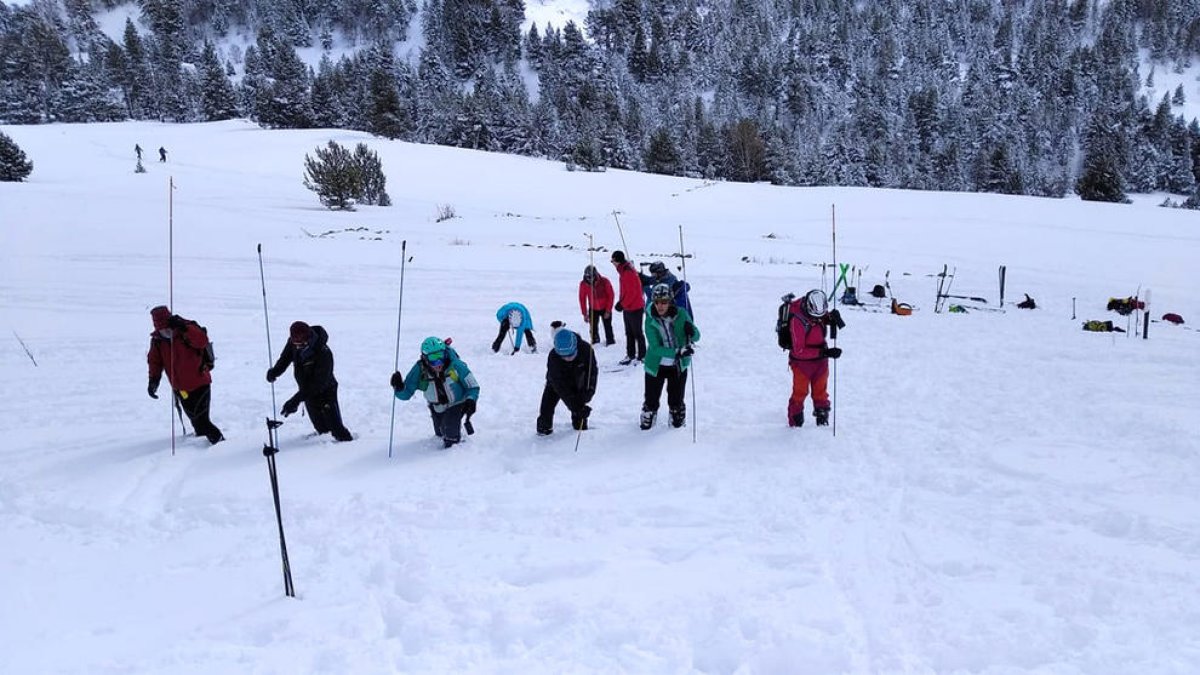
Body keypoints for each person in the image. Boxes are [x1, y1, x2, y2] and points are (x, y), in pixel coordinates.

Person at [146, 305, 224, 444]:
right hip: (180, 389)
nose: (166, 332)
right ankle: (203, 452)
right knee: (196, 422)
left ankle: (221, 446)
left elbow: (202, 341)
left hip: (200, 383)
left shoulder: (185, 328)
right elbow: (155, 362)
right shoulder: (157, 340)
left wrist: (184, 327)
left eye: (167, 328)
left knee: (203, 422)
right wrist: (153, 381)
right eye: (162, 330)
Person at [266, 321, 353, 442]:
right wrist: (275, 372)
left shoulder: (324, 353)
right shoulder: (293, 343)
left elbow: (318, 384)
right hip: (307, 392)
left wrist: (295, 400)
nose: (297, 346)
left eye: (300, 344)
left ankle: (349, 448)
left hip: (326, 392)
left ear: (309, 338)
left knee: (337, 430)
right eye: (294, 343)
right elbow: (285, 358)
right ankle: (323, 453)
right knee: (321, 429)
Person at [391, 337, 480, 448]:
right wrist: (398, 387)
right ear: (425, 358)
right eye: (433, 358)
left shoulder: (456, 365)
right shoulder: (419, 369)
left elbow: (473, 387)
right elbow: (406, 393)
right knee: (440, 433)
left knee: (450, 438)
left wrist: (471, 400)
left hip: (457, 403)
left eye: (440, 356)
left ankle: (456, 449)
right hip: (437, 407)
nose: (439, 362)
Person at [641, 283, 700, 430]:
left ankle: (677, 414)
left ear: (670, 301)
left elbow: (697, 336)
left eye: (664, 302)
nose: (660, 306)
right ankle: (649, 412)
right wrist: (677, 352)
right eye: (657, 302)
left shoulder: (682, 314)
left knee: (676, 398)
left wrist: (691, 330)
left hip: (678, 365)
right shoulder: (650, 319)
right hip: (656, 365)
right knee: (651, 397)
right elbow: (655, 348)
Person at [784, 289, 844, 427]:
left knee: (821, 392)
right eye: (815, 315)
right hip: (801, 364)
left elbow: (822, 319)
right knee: (800, 392)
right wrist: (824, 353)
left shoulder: (819, 312)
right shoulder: (797, 320)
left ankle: (822, 420)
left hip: (821, 363)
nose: (818, 318)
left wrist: (832, 318)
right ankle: (795, 423)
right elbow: (798, 351)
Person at [537, 325, 598, 436]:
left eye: (570, 355)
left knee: (580, 408)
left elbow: (592, 372)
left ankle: (580, 426)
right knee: (547, 405)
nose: (568, 359)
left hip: (579, 379)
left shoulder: (586, 350)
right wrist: (576, 407)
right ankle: (544, 429)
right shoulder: (553, 357)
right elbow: (561, 388)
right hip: (557, 382)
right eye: (564, 357)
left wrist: (590, 391)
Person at [610, 250, 646, 365]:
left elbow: (632, 292)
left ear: (617, 261)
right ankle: (630, 354)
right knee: (629, 332)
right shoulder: (623, 270)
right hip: (628, 307)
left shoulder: (628, 272)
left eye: (613, 261)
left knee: (637, 333)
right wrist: (623, 304)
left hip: (635, 307)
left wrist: (622, 304)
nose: (612, 263)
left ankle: (642, 356)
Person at [578, 265, 616, 346]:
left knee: (608, 327)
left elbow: (611, 295)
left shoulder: (604, 281)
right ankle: (595, 342)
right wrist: (584, 313)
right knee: (593, 328)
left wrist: (608, 310)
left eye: (591, 277)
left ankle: (611, 342)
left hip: (605, 308)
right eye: (588, 277)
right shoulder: (583, 284)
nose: (590, 279)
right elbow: (582, 298)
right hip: (593, 309)